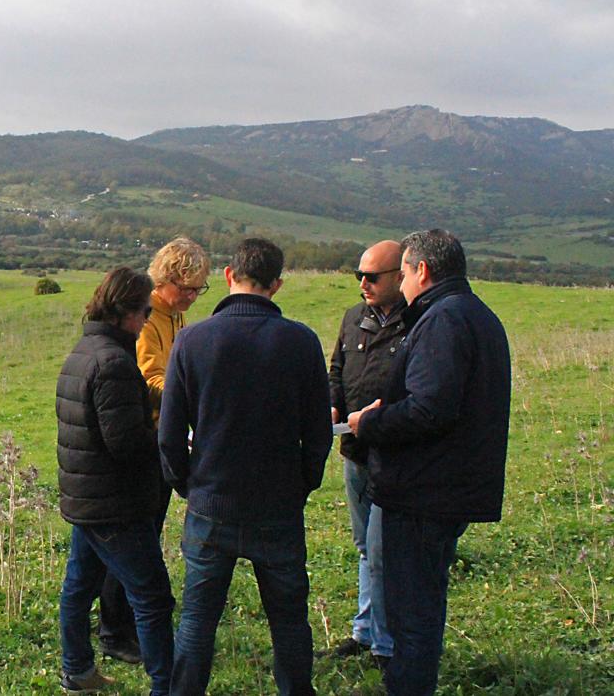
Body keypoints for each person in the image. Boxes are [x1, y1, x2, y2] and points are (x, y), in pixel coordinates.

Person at [159, 238, 330, 695]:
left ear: (231, 275)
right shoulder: (302, 342)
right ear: (277, 284)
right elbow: (318, 433)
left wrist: (186, 484)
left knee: (197, 619)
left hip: (210, 503)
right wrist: (302, 485)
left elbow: (170, 433)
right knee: (290, 620)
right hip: (278, 505)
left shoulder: (192, 339)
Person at [348, 229, 511, 695]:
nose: (399, 286)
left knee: (410, 616)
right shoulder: (475, 315)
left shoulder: (443, 321)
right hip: (450, 486)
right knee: (423, 605)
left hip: (424, 492)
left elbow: (429, 409)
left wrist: (371, 424)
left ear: (422, 270)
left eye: (402, 274)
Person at [56, 267, 175, 695]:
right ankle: (167, 685)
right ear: (125, 311)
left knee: (78, 587)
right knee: (152, 597)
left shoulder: (84, 350)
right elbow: (125, 444)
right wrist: (172, 437)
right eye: (145, 311)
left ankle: (78, 672)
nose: (147, 320)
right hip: (115, 505)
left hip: (86, 497)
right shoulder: (115, 363)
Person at [95, 237, 212, 664]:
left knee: (143, 535)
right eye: (186, 289)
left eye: (198, 290)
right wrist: (192, 396)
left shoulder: (175, 319)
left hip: (163, 437)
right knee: (134, 540)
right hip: (145, 442)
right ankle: (115, 630)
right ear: (164, 282)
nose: (192, 297)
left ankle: (125, 622)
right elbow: (148, 382)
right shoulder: (149, 322)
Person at [324, 240, 406, 667]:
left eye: (372, 277)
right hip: (354, 450)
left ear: (400, 276)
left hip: (394, 454)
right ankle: (365, 631)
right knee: (363, 546)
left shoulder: (416, 321)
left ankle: (386, 644)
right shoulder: (354, 317)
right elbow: (336, 368)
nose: (364, 284)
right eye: (359, 276)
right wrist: (334, 401)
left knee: (381, 549)